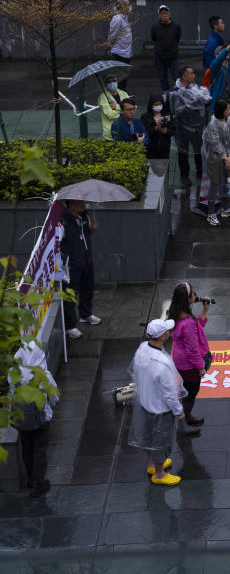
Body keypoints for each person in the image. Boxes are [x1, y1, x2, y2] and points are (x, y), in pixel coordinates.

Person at [128, 319, 187, 485]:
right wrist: (178, 411)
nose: (169, 332)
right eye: (167, 330)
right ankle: (160, 475)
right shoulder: (162, 365)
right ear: (163, 336)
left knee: (148, 437)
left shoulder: (142, 349)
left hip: (145, 402)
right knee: (161, 442)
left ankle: (152, 465)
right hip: (160, 409)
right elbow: (169, 393)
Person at [10, 342, 58, 498]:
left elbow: (12, 394)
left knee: (27, 448)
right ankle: (39, 484)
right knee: (39, 450)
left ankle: (30, 479)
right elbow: (54, 397)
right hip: (40, 418)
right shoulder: (43, 375)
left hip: (21, 418)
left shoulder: (14, 372)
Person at [168, 282, 210, 433]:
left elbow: (196, 330)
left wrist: (204, 311)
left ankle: (185, 416)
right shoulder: (187, 322)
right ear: (187, 299)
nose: (195, 295)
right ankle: (184, 422)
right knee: (190, 392)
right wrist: (201, 368)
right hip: (190, 365)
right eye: (193, 293)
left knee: (185, 390)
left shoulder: (177, 313)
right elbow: (192, 350)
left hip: (181, 362)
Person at [59, 199, 99, 338]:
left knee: (87, 288)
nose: (83, 205)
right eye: (79, 203)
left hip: (86, 260)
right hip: (72, 264)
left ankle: (85, 314)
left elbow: (86, 236)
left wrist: (92, 230)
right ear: (71, 205)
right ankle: (70, 326)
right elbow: (57, 242)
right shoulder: (63, 221)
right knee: (70, 294)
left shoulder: (84, 217)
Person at [168, 66, 211, 185]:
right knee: (183, 151)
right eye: (191, 73)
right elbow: (175, 111)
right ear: (184, 77)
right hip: (182, 127)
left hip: (197, 125)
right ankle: (184, 175)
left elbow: (203, 100)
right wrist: (188, 106)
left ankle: (200, 171)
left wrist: (195, 101)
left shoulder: (194, 88)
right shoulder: (176, 92)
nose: (194, 75)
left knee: (199, 150)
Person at [202, 99, 230, 225]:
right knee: (215, 184)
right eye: (227, 109)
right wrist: (225, 157)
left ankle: (227, 208)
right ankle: (211, 213)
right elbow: (214, 143)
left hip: (229, 158)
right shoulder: (212, 125)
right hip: (216, 159)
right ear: (221, 111)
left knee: (227, 183)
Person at [150, 5, 181, 93]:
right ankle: (166, 95)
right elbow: (154, 38)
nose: (164, 15)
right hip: (159, 58)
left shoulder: (176, 26)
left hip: (173, 57)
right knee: (162, 77)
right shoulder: (155, 27)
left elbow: (178, 38)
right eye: (162, 13)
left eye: (166, 13)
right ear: (159, 15)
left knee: (176, 76)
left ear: (169, 14)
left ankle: (180, 93)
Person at [107, 0, 133, 89]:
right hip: (120, 52)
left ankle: (123, 96)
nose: (130, 7)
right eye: (128, 4)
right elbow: (112, 35)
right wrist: (112, 44)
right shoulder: (117, 18)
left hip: (125, 52)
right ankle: (121, 99)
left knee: (124, 77)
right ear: (123, 6)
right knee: (121, 78)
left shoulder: (124, 18)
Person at [142, 94, 175, 160]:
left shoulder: (167, 115)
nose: (158, 106)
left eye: (160, 104)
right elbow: (143, 132)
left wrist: (166, 131)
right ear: (151, 105)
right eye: (156, 105)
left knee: (163, 167)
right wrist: (155, 128)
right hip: (150, 148)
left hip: (164, 148)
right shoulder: (145, 117)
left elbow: (173, 129)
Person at [97, 74, 128, 139]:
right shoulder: (103, 97)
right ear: (106, 84)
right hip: (111, 133)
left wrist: (117, 107)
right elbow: (110, 115)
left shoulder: (124, 93)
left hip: (125, 130)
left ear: (117, 82)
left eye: (114, 81)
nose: (112, 83)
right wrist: (123, 111)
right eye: (109, 82)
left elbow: (133, 108)